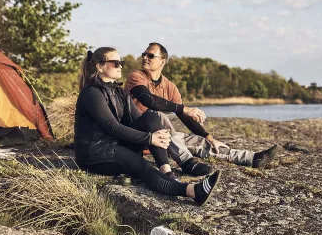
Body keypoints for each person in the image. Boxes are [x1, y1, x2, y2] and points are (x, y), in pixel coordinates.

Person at [74, 46, 221, 205]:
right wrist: (150, 138)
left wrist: (158, 133)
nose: (121, 66)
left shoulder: (119, 92)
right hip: (96, 153)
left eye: (121, 62)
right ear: (100, 66)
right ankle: (193, 191)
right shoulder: (92, 93)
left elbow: (142, 120)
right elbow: (112, 127)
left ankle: (166, 171)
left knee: (151, 117)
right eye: (116, 63)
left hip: (115, 144)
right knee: (141, 166)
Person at [125, 43, 278, 176]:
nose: (145, 57)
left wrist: (209, 137)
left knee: (201, 142)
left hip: (162, 140)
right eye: (144, 54)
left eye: (150, 55)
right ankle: (186, 162)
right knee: (157, 115)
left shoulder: (169, 86)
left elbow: (184, 117)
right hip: (137, 136)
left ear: (162, 62)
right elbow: (149, 100)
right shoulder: (136, 76)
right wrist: (184, 108)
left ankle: (251, 158)